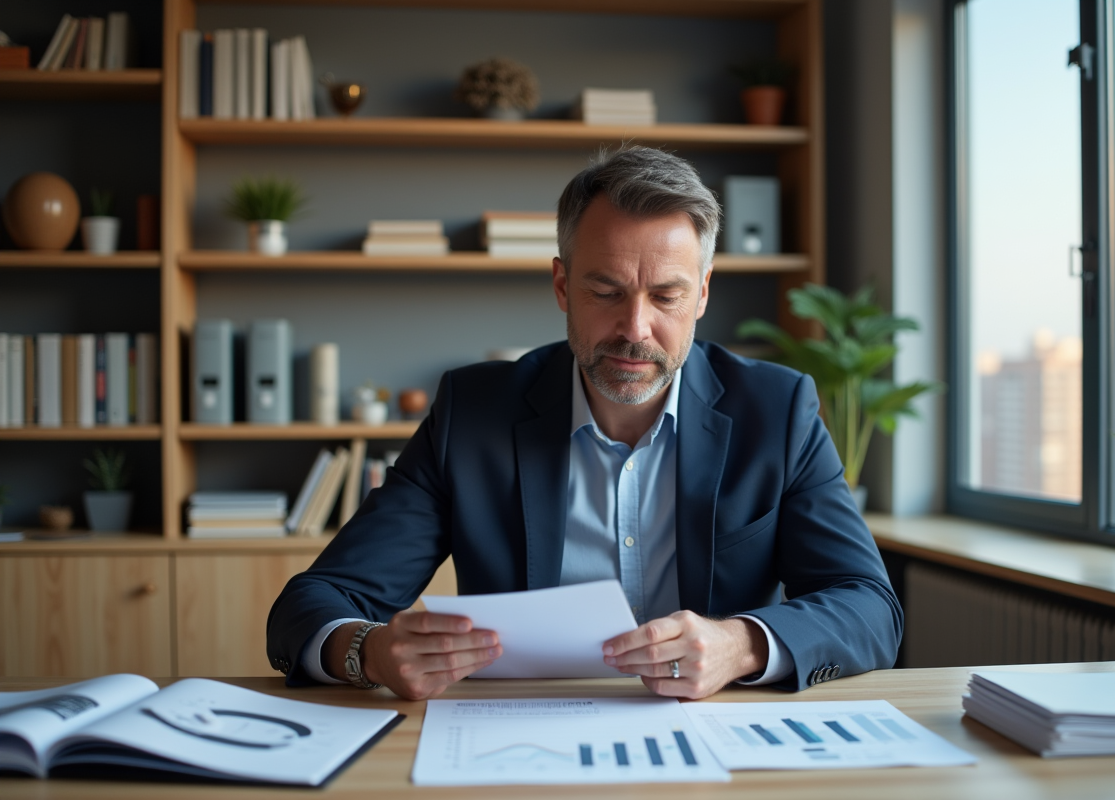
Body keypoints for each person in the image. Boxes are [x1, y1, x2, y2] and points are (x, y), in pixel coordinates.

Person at [266, 146, 902, 701]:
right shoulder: (473, 414)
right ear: (562, 285)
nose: (634, 328)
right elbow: (310, 604)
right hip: (520, 739)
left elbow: (870, 607)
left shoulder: (778, 411)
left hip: (717, 736)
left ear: (703, 294)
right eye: (605, 291)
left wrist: (743, 644)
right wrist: (369, 652)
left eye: (667, 296)